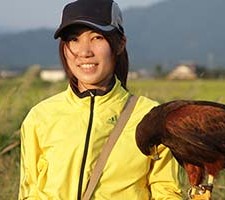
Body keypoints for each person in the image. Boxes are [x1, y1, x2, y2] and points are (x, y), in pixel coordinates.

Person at [19, 0, 182, 199]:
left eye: (97, 37)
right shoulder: (40, 117)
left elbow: (167, 192)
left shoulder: (151, 118)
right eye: (73, 39)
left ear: (120, 44)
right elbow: (29, 192)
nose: (84, 51)